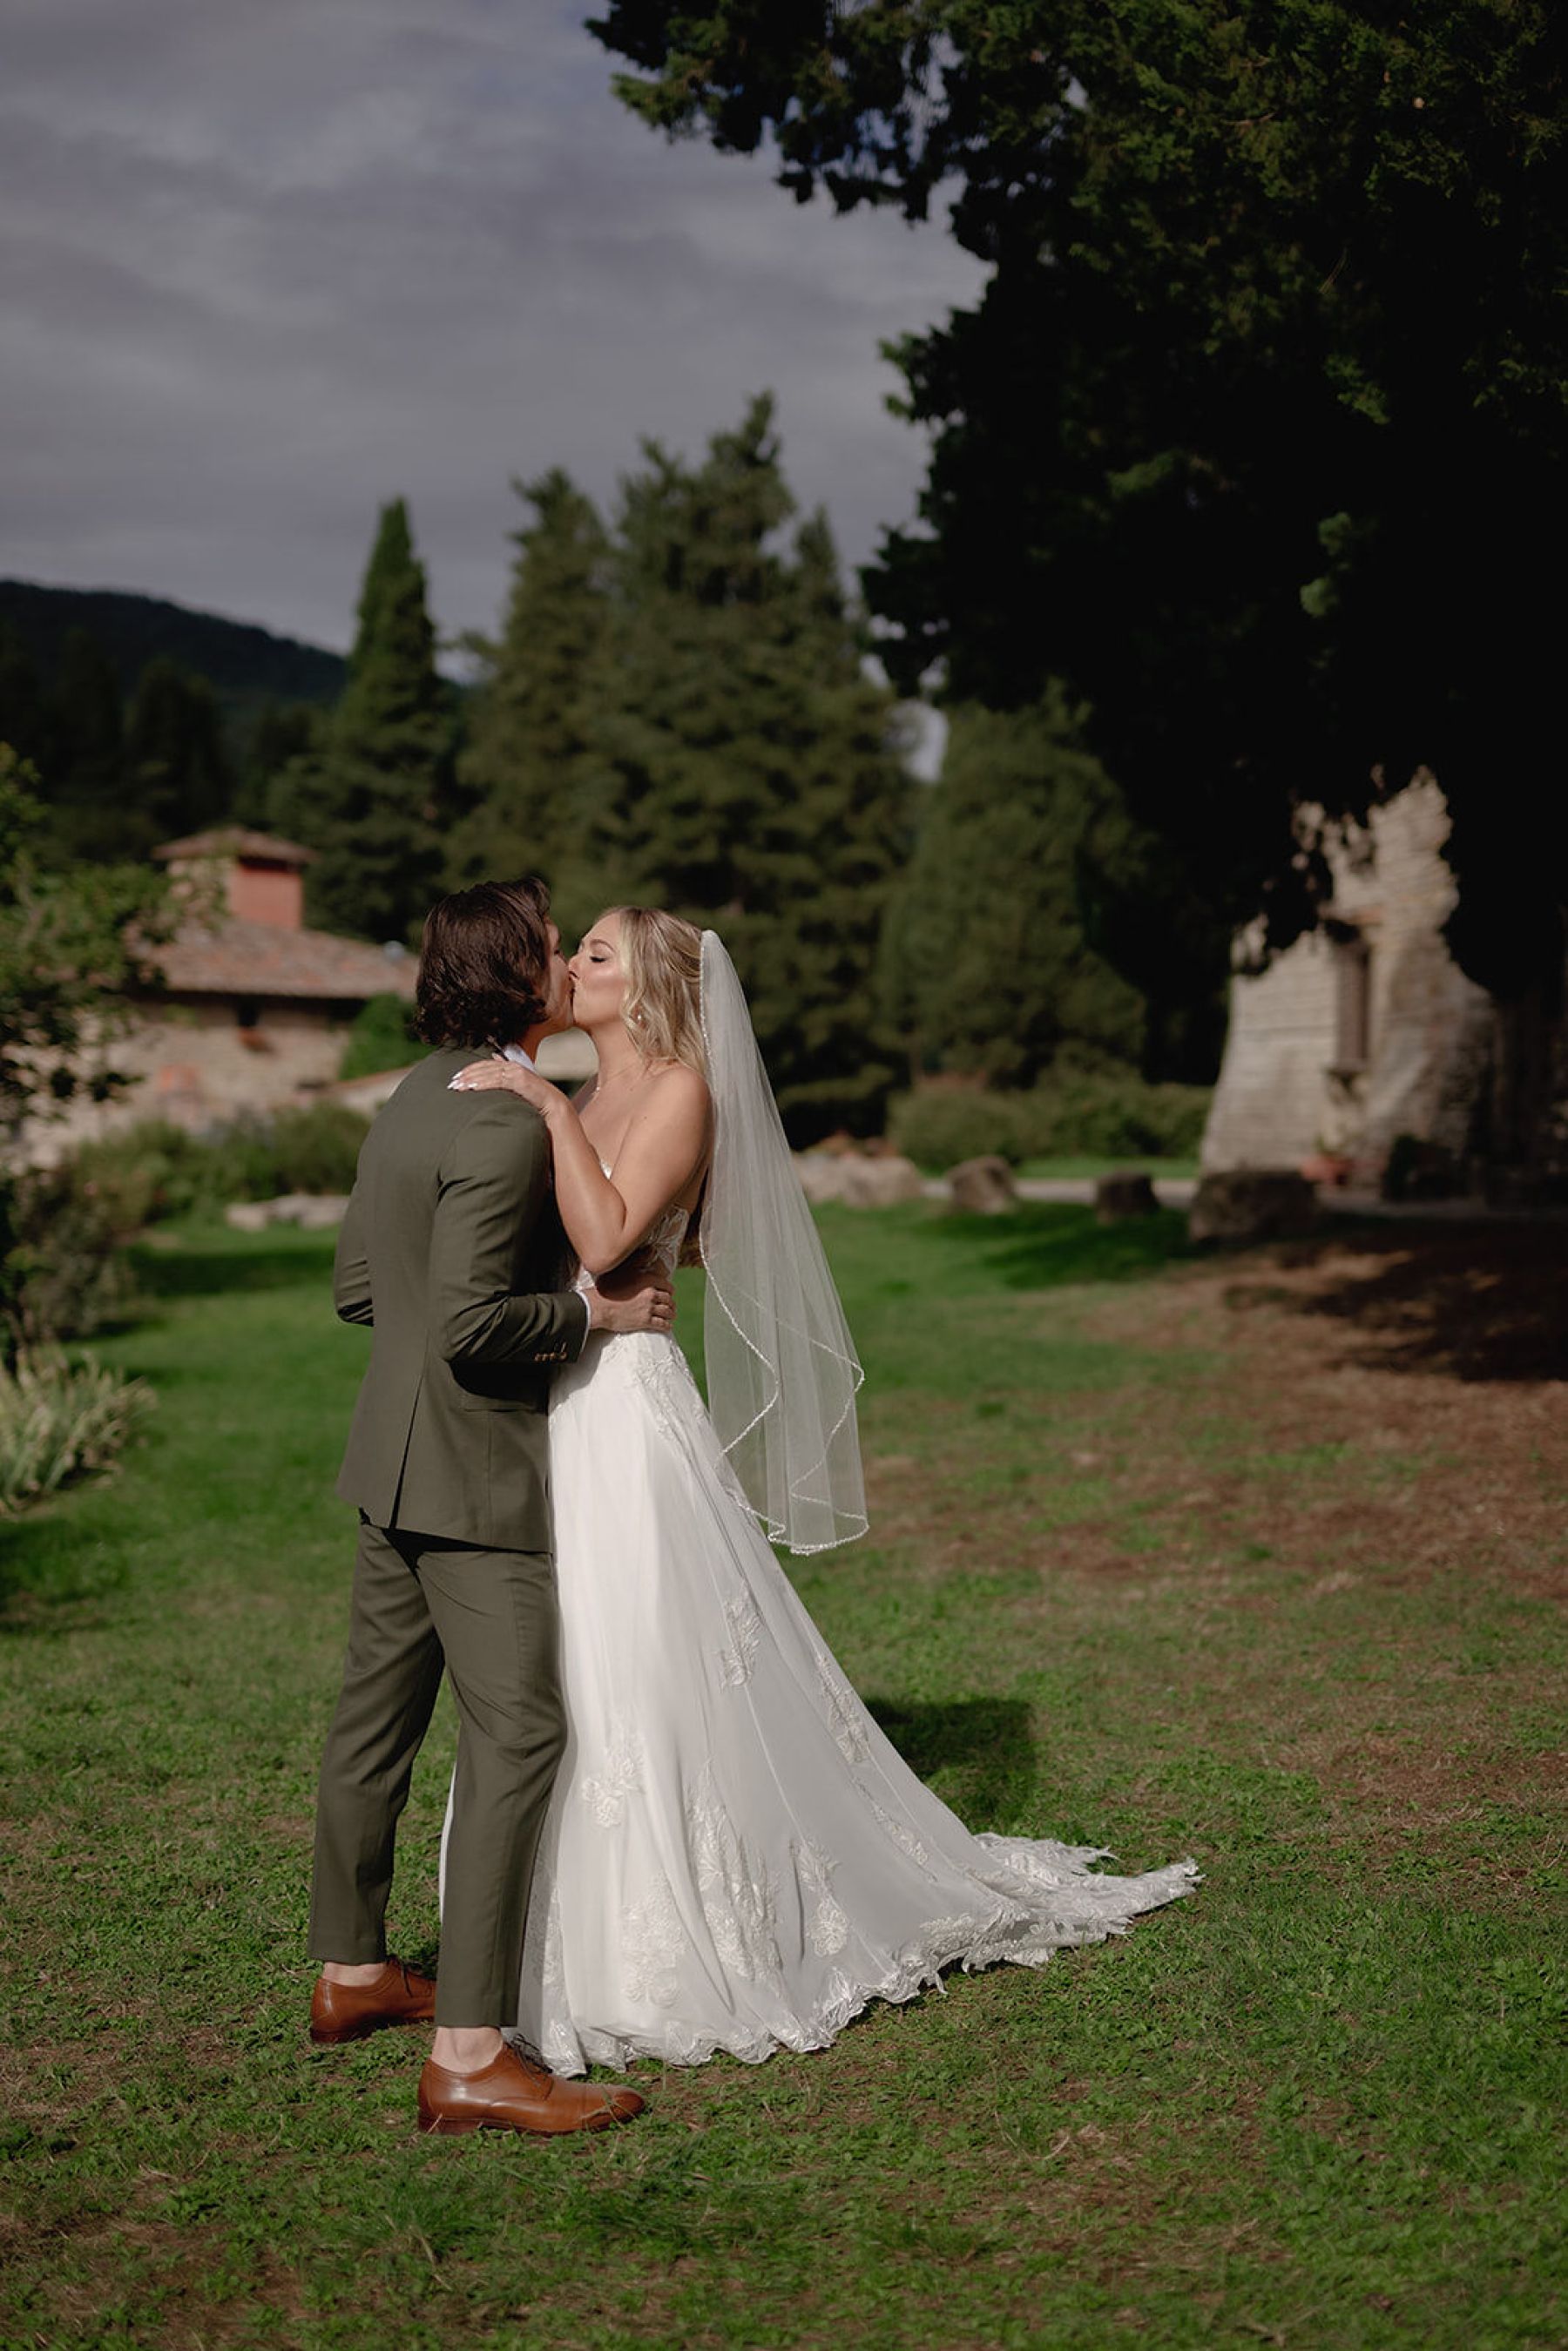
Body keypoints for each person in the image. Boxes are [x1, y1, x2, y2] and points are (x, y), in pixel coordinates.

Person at [449, 906, 1198, 2073]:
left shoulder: (678, 1092)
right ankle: (530, 1933)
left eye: (595, 951)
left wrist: (545, 1113)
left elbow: (602, 1241)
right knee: (549, 1659)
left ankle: (666, 1929)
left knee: (636, 1652)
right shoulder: (583, 1089)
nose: (570, 966)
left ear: (647, 982)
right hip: (548, 1399)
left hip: (622, 1411)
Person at [307, 879, 672, 2136]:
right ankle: (468, 2052)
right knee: (520, 1736)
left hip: (384, 1465)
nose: (571, 961)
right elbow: (470, 1325)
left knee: (371, 1724)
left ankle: (352, 1972)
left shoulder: (410, 1098)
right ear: (522, 978)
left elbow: (364, 1288)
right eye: (556, 946)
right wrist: (593, 1314)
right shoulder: (514, 1122)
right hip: (472, 1477)